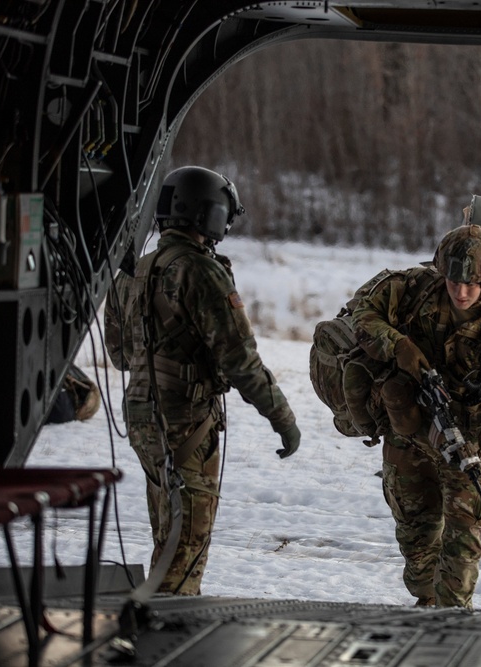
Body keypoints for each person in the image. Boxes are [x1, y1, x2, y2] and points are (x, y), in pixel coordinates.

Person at [104, 166, 302, 596]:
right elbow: (241, 361)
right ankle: (164, 633)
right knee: (186, 544)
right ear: (209, 215)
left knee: (168, 533)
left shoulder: (132, 272)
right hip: (186, 423)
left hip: (142, 419)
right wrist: (283, 419)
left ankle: (153, 619)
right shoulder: (201, 272)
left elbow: (120, 356)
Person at [350, 224, 481, 608]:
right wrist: (399, 346)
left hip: (470, 446)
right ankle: (426, 599)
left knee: (462, 547)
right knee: (416, 542)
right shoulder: (411, 290)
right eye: (453, 281)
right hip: (409, 437)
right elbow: (361, 314)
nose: (461, 292)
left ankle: (452, 619)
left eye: (472, 284)